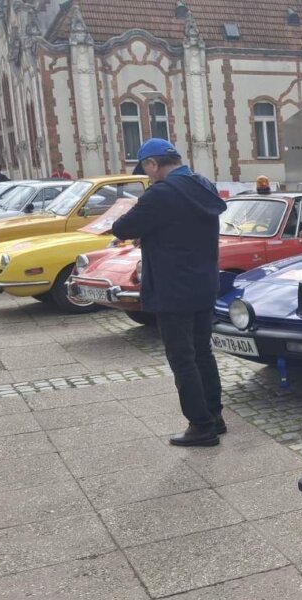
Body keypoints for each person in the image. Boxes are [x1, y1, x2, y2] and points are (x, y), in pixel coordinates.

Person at [111, 139, 227, 446]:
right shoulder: (202, 185)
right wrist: (152, 234)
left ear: (153, 164)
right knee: (203, 353)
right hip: (203, 284)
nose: (148, 177)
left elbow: (122, 228)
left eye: (146, 170)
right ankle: (215, 416)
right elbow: (180, 227)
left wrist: (145, 231)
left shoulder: (162, 193)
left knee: (182, 358)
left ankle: (200, 427)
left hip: (173, 289)